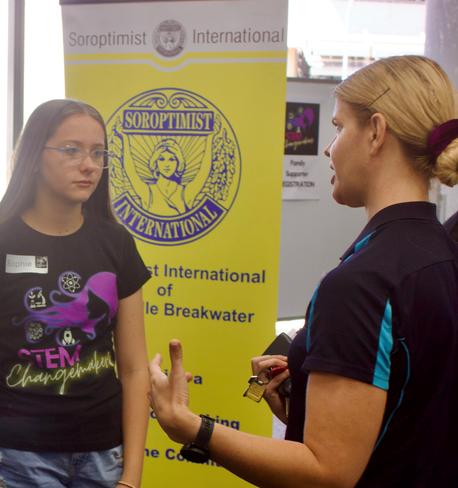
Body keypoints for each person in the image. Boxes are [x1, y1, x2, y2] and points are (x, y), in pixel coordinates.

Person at [149, 55, 458, 486]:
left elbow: (327, 473)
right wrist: (316, 410)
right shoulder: (442, 249)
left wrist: (190, 427)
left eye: (338, 127)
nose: (329, 148)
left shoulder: (362, 284)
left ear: (376, 132)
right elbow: (418, 411)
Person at [0, 99, 151, 488]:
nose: (89, 164)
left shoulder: (116, 243)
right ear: (34, 157)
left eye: (97, 153)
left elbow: (134, 368)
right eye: (71, 150)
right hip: (19, 456)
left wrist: (131, 476)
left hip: (104, 452)